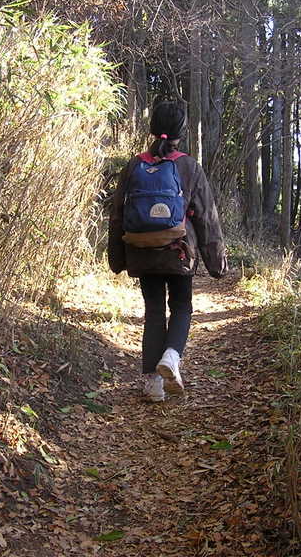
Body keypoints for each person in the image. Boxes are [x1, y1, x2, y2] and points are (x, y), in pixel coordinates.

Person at [108, 101, 228, 402]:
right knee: (182, 307)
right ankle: (172, 356)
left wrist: (117, 257)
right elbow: (206, 216)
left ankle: (152, 384)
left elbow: (118, 215)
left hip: (142, 250)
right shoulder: (189, 166)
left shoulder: (134, 164)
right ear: (181, 132)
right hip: (179, 250)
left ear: (153, 128)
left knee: (153, 312)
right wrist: (217, 263)